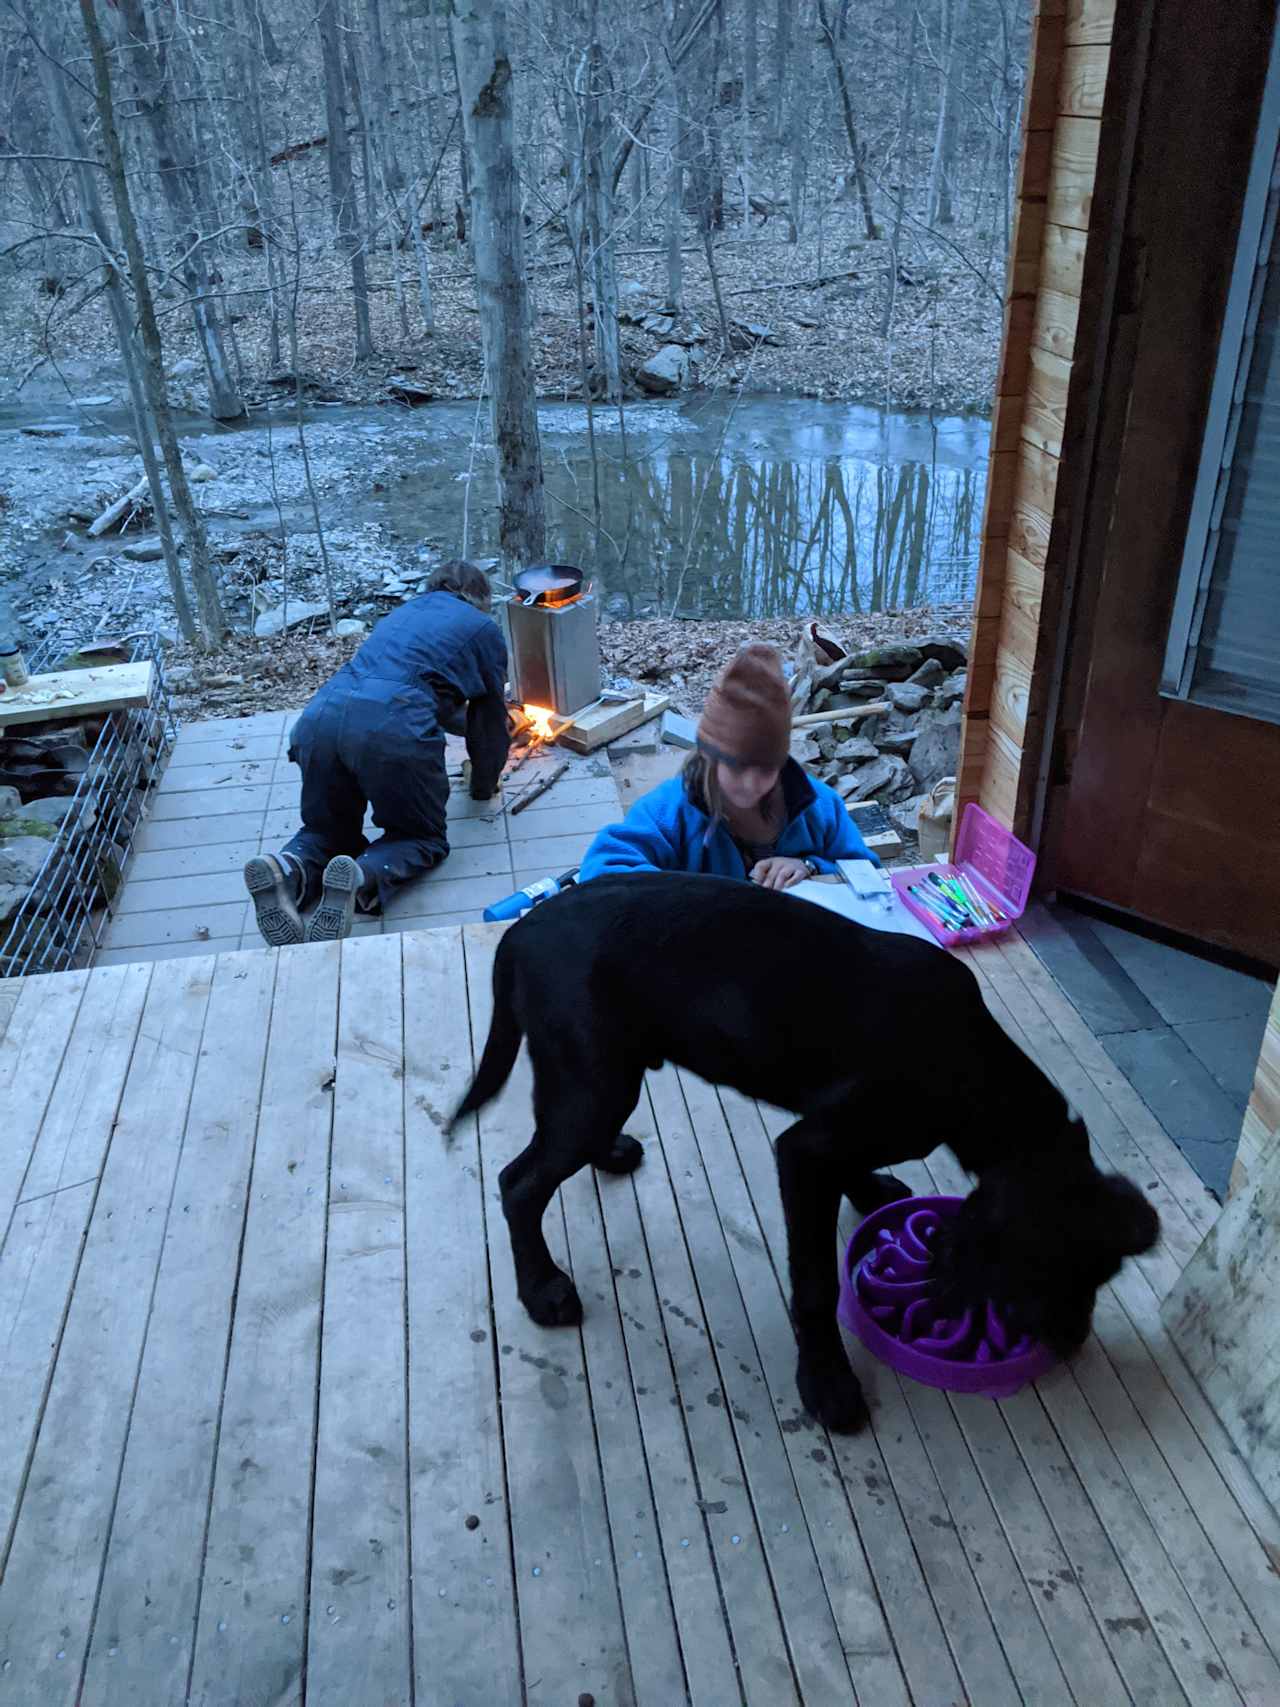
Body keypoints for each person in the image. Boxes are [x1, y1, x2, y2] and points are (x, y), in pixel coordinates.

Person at [244, 560, 509, 946]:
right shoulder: (482, 628)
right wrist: (484, 783)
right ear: (478, 598)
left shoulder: (404, 615)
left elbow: (437, 693)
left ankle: (287, 869)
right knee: (419, 838)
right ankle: (360, 875)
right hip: (392, 726)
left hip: (320, 719)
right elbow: (487, 724)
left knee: (327, 830)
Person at [579, 642, 877, 889]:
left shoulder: (821, 807)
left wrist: (810, 866)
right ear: (709, 755)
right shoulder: (669, 812)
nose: (750, 784)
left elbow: (869, 872)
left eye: (764, 769)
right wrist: (694, 894)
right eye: (736, 767)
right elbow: (601, 870)